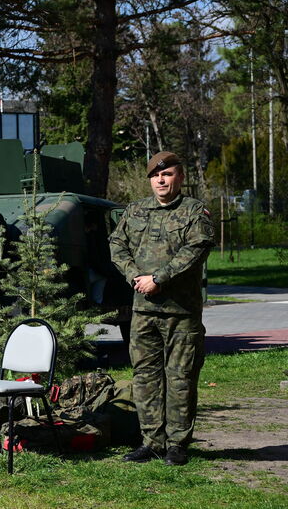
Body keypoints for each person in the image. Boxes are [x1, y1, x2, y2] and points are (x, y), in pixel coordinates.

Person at [109, 151, 215, 466]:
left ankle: (178, 445)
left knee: (180, 377)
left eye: (168, 174)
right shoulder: (136, 210)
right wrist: (133, 276)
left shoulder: (195, 212)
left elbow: (196, 249)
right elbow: (117, 244)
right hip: (143, 312)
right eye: (156, 175)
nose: (161, 180)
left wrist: (159, 278)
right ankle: (151, 442)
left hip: (180, 311)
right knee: (145, 376)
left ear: (180, 178)